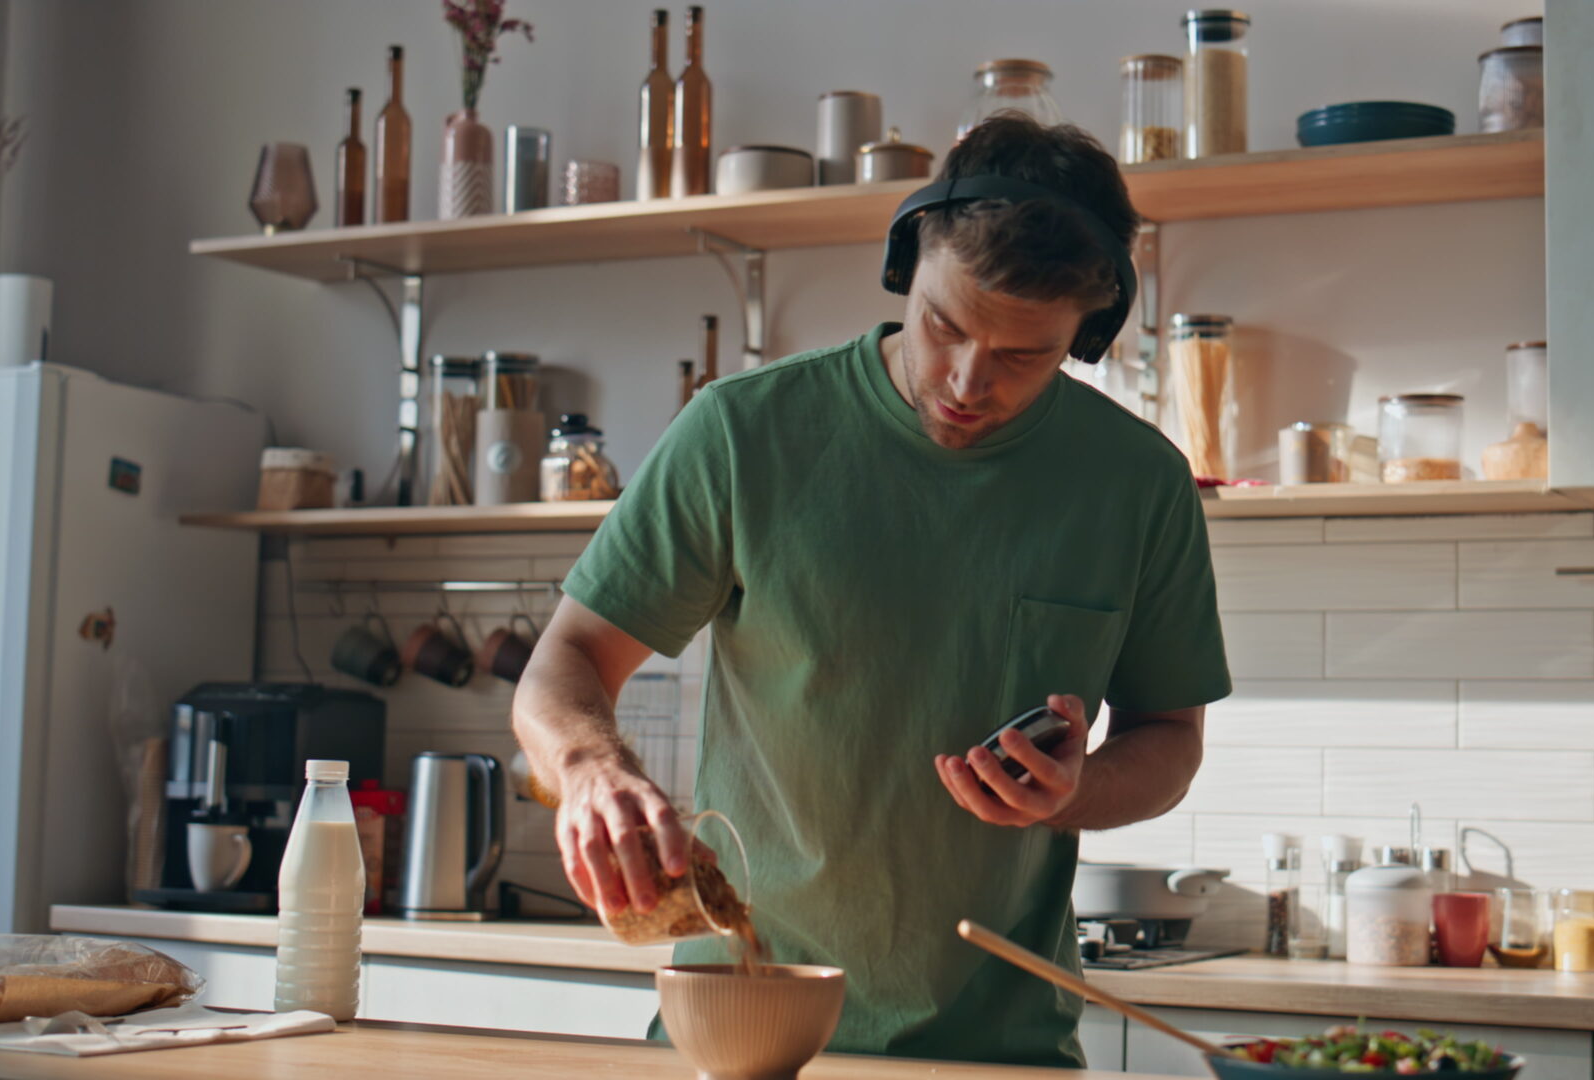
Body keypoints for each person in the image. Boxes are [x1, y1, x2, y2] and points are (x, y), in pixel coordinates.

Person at [512, 113, 1230, 1068]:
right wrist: (592, 767)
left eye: (1023, 356)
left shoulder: (1138, 483)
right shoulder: (742, 435)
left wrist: (1077, 788)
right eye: (945, 324)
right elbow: (564, 664)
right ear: (907, 263)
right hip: (741, 1027)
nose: (968, 380)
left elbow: (1170, 741)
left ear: (1085, 335)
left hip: (1001, 1051)